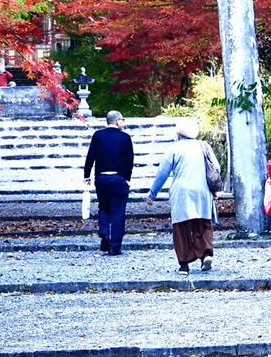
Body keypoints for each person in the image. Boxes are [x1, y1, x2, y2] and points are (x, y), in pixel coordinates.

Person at [145, 121, 218, 274]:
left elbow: (163, 173)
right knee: (203, 223)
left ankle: (184, 264)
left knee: (181, 227)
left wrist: (152, 194)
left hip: (181, 191)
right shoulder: (204, 146)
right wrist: (215, 189)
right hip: (203, 189)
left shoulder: (174, 148)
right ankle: (206, 254)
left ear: (179, 134)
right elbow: (215, 167)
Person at [84, 110, 134, 255]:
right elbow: (129, 160)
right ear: (117, 120)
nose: (123, 122)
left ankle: (104, 231)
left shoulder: (98, 135)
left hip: (101, 178)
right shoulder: (125, 137)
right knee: (118, 212)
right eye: (122, 119)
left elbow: (90, 156)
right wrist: (127, 178)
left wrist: (87, 176)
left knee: (103, 207)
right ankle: (115, 247)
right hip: (118, 178)